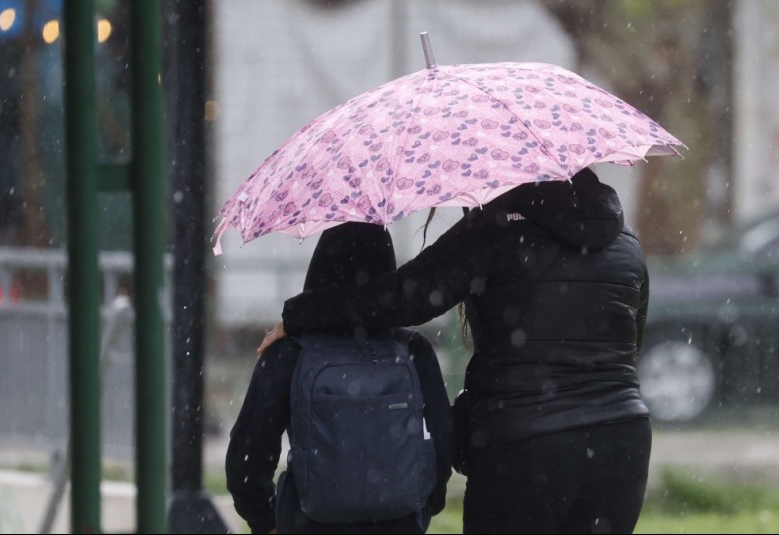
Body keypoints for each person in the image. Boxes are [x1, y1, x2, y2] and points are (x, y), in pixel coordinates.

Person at [261, 168, 652, 534]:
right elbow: (630, 343)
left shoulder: (497, 228)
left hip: (523, 447)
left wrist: (302, 312)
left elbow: (403, 297)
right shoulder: (628, 243)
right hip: (622, 442)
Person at [226, 222, 454, 535]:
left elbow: (248, 454)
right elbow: (442, 444)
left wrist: (264, 521)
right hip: (397, 522)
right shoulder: (414, 350)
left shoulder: (290, 352)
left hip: (307, 523)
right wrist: (422, 508)